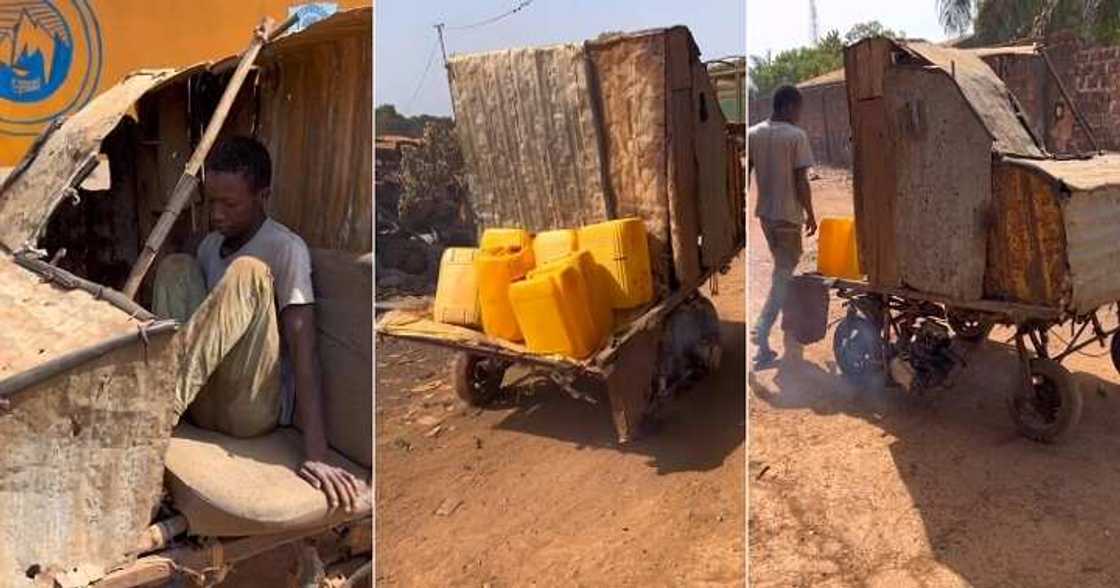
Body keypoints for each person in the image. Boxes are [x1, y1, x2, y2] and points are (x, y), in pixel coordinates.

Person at [152, 136, 363, 513]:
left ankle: (153, 414)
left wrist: (317, 453)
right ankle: (159, 396)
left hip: (248, 406)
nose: (216, 214)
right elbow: (203, 334)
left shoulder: (285, 248)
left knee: (247, 272)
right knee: (175, 267)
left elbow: (305, 351)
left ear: (262, 196)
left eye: (229, 204)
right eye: (211, 201)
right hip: (201, 399)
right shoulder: (208, 247)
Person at [748, 85, 817, 370]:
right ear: (788, 106)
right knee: (782, 275)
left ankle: (785, 325)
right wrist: (811, 214)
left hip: (767, 217)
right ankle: (761, 331)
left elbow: (746, 174)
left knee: (782, 270)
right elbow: (801, 181)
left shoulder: (753, 134)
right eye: (799, 109)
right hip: (788, 218)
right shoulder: (795, 137)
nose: (800, 115)